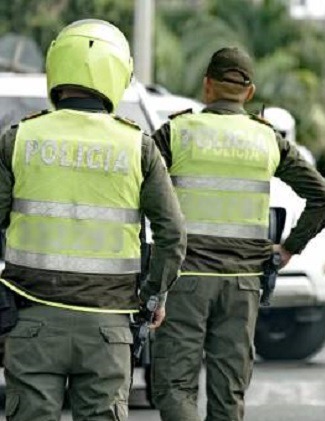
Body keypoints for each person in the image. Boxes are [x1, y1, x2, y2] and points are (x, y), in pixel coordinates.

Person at [0, 19, 186, 420]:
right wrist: (153, 297)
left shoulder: (19, 140)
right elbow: (173, 235)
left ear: (56, 67)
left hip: (30, 322)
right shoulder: (138, 147)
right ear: (118, 71)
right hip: (108, 329)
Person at [151, 46, 325, 421]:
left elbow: (137, 189)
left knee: (176, 388)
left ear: (207, 87)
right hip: (243, 286)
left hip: (185, 280)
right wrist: (288, 249)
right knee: (228, 394)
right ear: (248, 92)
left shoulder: (178, 132)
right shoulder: (268, 139)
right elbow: (323, 196)